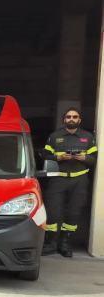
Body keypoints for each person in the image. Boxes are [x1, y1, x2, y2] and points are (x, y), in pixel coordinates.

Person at [41, 108, 97, 257]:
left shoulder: (88, 137)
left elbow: (94, 159)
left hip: (79, 180)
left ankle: (64, 243)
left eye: (75, 117)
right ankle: (50, 243)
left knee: (74, 213)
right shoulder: (55, 136)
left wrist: (84, 158)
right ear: (64, 119)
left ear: (79, 120)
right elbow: (45, 155)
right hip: (58, 179)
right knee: (53, 213)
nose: (71, 119)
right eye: (68, 117)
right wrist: (58, 158)